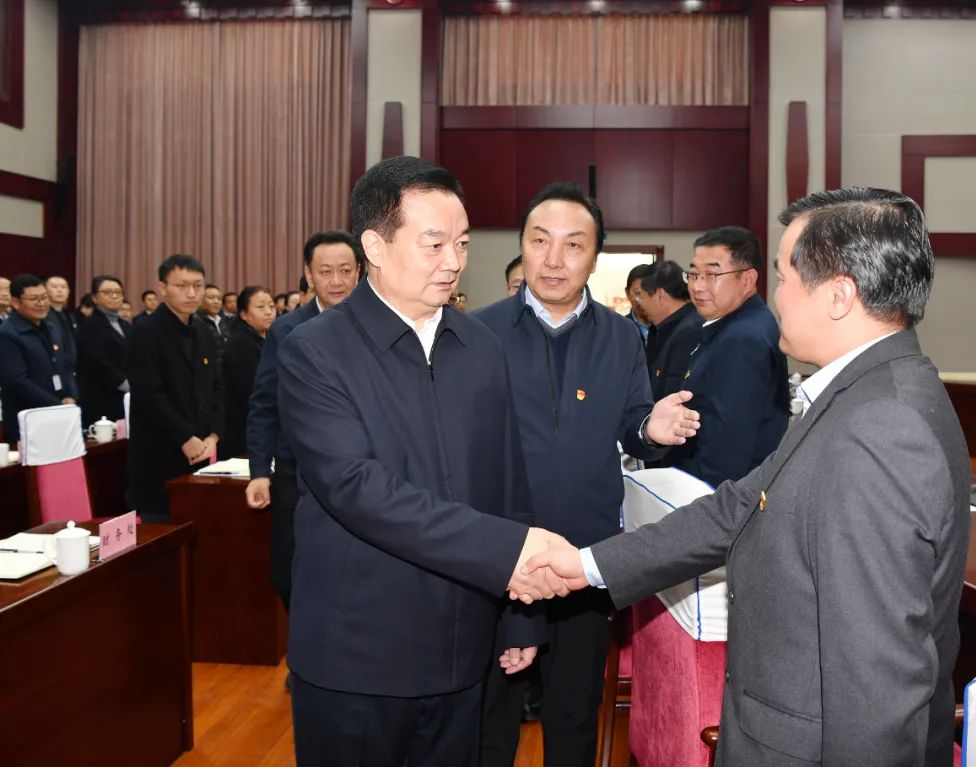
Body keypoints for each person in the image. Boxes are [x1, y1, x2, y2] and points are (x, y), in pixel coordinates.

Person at [525, 187, 972, 767]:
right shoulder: (864, 395)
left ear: (839, 295)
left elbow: (876, 691)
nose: (775, 297)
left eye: (784, 278)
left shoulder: (881, 426)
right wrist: (587, 565)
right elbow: (737, 506)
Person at [276, 156, 572, 766]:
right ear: (374, 247)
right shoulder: (315, 350)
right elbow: (359, 490)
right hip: (357, 656)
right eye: (434, 243)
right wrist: (509, 553)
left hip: (462, 649)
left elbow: (508, 481)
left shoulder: (479, 346)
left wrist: (521, 617)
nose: (454, 261)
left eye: (462, 244)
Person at [473, 182, 700, 767]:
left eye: (573, 245)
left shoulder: (621, 334)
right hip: (500, 557)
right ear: (521, 246)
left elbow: (630, 421)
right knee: (490, 718)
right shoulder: (478, 333)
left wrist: (650, 428)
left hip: (586, 559)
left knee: (574, 715)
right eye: (540, 241)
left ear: (595, 257)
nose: (554, 259)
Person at [246, 229, 362, 611]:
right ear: (309, 275)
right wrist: (259, 470)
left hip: (362, 470)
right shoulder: (286, 329)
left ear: (359, 271)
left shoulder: (375, 326)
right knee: (286, 572)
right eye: (325, 271)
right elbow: (264, 403)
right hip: (294, 472)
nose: (336, 280)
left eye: (345, 270)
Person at [653, 227, 789, 486]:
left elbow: (727, 452)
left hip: (715, 495)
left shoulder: (742, 339)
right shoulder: (738, 324)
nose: (698, 286)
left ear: (747, 280)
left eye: (712, 274)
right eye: (694, 274)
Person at [127, 254, 224, 523]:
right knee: (163, 527)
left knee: (200, 525)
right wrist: (184, 437)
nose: (191, 293)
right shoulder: (144, 331)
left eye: (197, 285)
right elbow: (149, 394)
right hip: (160, 450)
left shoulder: (204, 331)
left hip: (201, 449)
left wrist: (214, 434)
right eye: (181, 286)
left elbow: (217, 386)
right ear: (163, 288)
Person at [0, 274, 78, 443]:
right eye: (34, 299)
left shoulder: (51, 327)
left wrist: (71, 395)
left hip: (59, 413)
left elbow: (65, 365)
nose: (42, 303)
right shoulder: (7, 333)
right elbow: (16, 381)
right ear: (15, 302)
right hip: (29, 418)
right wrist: (57, 405)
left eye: (44, 297)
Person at [219, 286, 275, 459]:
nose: (268, 312)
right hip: (243, 432)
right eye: (260, 307)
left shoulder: (266, 339)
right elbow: (250, 393)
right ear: (244, 314)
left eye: (271, 306)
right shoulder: (241, 344)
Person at [638, 260, 702, 401]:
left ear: (660, 295)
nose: (640, 305)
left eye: (641, 297)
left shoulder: (689, 332)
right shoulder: (663, 328)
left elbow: (677, 394)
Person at [75, 275, 131, 428]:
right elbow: (98, 362)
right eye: (107, 292)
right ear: (94, 297)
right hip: (102, 396)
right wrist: (127, 384)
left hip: (125, 396)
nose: (114, 296)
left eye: (118, 292)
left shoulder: (125, 324)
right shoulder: (89, 326)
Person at [45, 274, 79, 371]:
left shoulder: (70, 316)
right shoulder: (42, 315)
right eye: (54, 287)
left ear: (68, 292)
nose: (59, 290)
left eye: (63, 287)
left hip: (72, 367)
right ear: (45, 290)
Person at [624, 263, 653, 344]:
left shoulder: (664, 326)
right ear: (627, 293)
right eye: (638, 293)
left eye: (649, 292)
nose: (642, 299)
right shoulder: (620, 327)